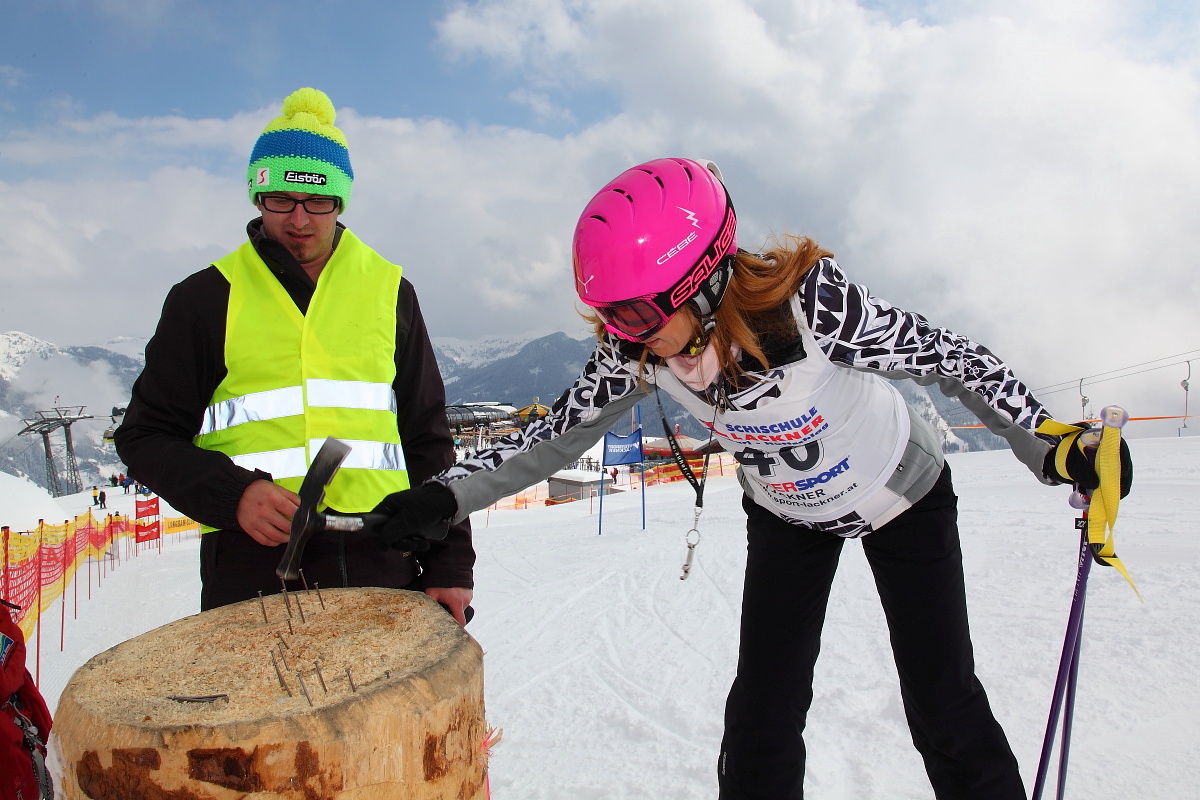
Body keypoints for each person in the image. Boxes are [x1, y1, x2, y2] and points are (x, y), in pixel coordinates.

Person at [368, 158, 1132, 799]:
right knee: (763, 717)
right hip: (788, 517)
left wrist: (1050, 445)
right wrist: (443, 496)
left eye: (635, 312)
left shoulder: (810, 307)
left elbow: (951, 357)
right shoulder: (637, 349)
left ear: (699, 283)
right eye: (607, 315)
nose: (621, 336)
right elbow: (552, 434)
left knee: (943, 703)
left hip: (902, 496)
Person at [115, 88, 474, 623]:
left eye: (317, 200)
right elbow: (144, 437)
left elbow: (427, 436)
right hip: (249, 568)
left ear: (340, 201)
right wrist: (232, 495)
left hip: (380, 556)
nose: (299, 220)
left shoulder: (390, 290)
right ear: (258, 199)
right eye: (279, 199)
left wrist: (449, 561)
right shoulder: (207, 297)